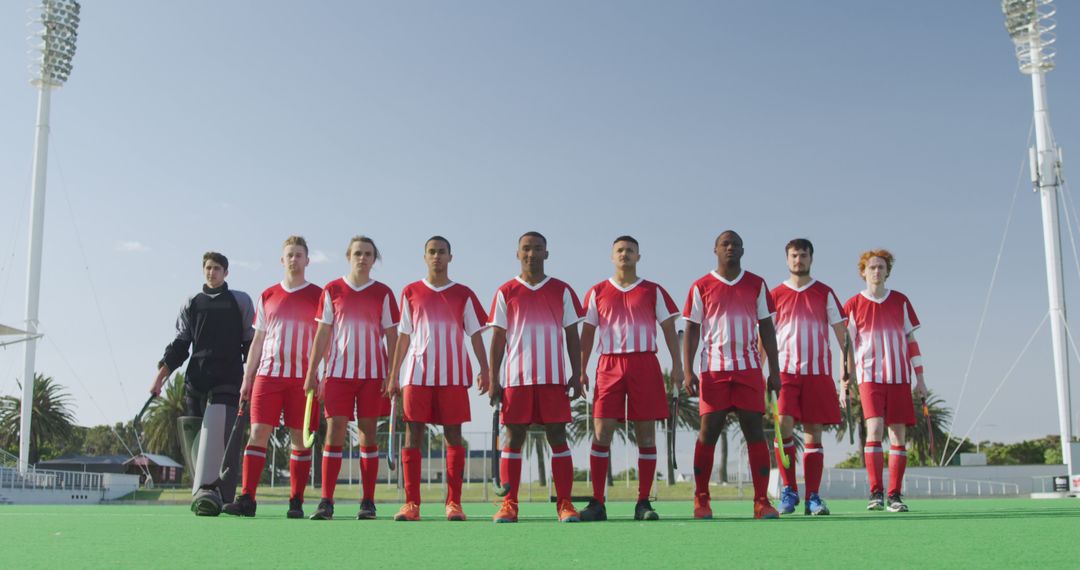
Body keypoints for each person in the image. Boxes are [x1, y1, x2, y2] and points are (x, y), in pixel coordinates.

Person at [578, 235, 682, 522]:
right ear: (612, 256)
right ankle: (597, 502)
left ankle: (643, 502)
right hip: (609, 364)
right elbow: (587, 333)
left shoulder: (653, 290)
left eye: (630, 251)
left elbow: (669, 328)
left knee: (646, 434)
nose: (625, 254)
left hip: (644, 363)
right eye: (620, 250)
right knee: (602, 433)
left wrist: (678, 365)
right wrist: (581, 368)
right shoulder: (597, 291)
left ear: (638, 256)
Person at [386, 236, 490, 522]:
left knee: (453, 436)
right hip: (416, 375)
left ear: (450, 257)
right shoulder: (411, 291)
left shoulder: (463, 294)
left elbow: (477, 334)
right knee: (413, 435)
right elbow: (404, 337)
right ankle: (411, 504)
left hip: (453, 375)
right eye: (431, 252)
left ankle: (453, 503)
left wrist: (486, 368)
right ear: (424, 257)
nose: (437, 257)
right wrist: (393, 374)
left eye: (442, 252)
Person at [682, 230, 782, 519]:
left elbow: (767, 328)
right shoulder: (701, 285)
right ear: (715, 249)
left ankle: (761, 501)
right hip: (714, 369)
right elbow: (691, 329)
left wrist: (774, 370)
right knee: (708, 432)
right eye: (725, 244)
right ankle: (702, 499)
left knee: (754, 432)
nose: (730, 248)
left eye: (735, 244)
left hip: (749, 368)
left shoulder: (756, 284)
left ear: (743, 250)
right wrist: (688, 371)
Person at [222, 236, 322, 519]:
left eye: (299, 255)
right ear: (282, 260)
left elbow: (327, 338)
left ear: (307, 260)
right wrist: (248, 377)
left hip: (303, 378)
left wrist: (321, 374)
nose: (294, 259)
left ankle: (296, 501)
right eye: (289, 255)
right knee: (257, 433)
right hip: (268, 375)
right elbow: (257, 340)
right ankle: (248, 499)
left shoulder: (318, 295)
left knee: (299, 440)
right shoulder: (268, 295)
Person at [488, 231, 584, 524]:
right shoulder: (506, 291)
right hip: (516, 380)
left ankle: (565, 504)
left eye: (537, 248)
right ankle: (510, 504)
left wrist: (577, 374)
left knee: (557, 436)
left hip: (553, 379)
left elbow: (572, 335)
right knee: (514, 438)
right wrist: (493, 378)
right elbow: (498, 338)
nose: (531, 254)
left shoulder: (562, 290)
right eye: (526, 249)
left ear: (547, 254)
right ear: (518, 254)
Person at [150, 251, 255, 516]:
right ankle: (201, 492)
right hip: (196, 376)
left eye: (217, 268)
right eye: (208, 268)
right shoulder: (192, 302)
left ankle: (219, 491)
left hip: (229, 375)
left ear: (226, 273)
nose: (212, 272)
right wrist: (160, 378)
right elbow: (180, 345)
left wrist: (251, 379)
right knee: (195, 436)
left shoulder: (240, 301)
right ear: (203, 270)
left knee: (222, 433)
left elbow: (250, 344)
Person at [304, 236, 399, 521]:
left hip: (373, 376)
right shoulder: (332, 290)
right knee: (333, 434)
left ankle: (368, 501)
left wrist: (393, 375)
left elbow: (392, 337)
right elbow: (322, 334)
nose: (363, 258)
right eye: (358, 253)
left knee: (368, 436)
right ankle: (326, 501)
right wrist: (312, 373)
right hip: (337, 374)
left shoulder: (383, 292)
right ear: (348, 256)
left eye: (368, 254)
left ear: (374, 259)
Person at [842, 249, 927, 513]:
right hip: (869, 378)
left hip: (899, 377)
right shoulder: (853, 304)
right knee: (875, 429)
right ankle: (875, 492)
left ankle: (895, 495)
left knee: (898, 435)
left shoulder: (900, 301)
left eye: (881, 267)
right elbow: (847, 346)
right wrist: (845, 378)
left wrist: (920, 379)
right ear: (863, 272)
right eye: (871, 267)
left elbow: (911, 342)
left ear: (887, 271)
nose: (876, 271)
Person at [770, 238, 846, 516]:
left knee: (813, 434)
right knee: (784, 427)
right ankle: (789, 491)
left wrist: (847, 371)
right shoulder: (775, 294)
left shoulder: (824, 292)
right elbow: (764, 335)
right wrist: (761, 371)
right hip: (785, 373)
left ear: (811, 259)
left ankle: (813, 496)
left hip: (817, 372)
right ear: (787, 259)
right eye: (793, 255)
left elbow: (841, 332)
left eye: (803, 255)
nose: (798, 260)